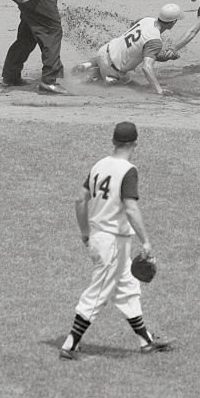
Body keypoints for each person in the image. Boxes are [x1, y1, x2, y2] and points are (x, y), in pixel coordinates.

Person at [59, 121, 173, 360]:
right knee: (98, 292)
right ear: (135, 145)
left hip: (104, 239)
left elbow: (80, 199)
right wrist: (147, 242)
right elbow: (131, 209)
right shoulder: (128, 170)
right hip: (112, 242)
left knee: (128, 289)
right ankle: (70, 344)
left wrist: (84, 233)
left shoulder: (99, 165)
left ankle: (146, 341)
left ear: (113, 142)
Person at [72, 4, 182, 96]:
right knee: (136, 87)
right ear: (173, 23)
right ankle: (94, 77)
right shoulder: (155, 41)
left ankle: (87, 65)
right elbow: (146, 67)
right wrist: (160, 90)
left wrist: (164, 56)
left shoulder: (146, 19)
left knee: (103, 59)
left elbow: (138, 44)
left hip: (105, 50)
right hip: (113, 69)